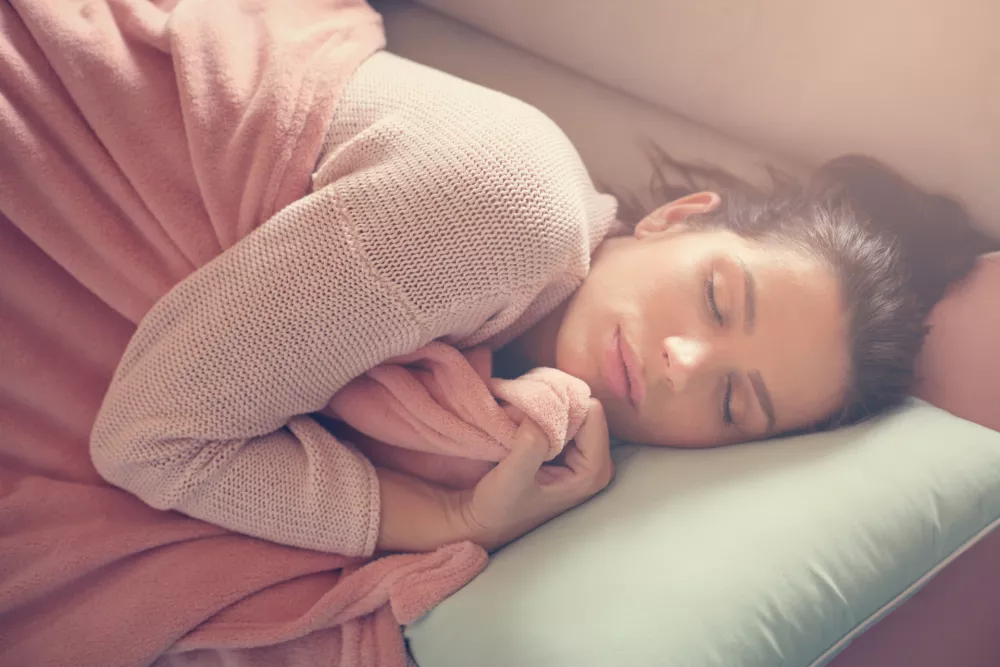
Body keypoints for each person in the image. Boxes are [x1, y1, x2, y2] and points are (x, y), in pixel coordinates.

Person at [89, 49, 996, 561]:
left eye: (731, 403)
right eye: (719, 298)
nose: (684, 362)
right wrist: (451, 525)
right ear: (676, 219)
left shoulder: (517, 402)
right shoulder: (513, 212)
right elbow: (150, 439)